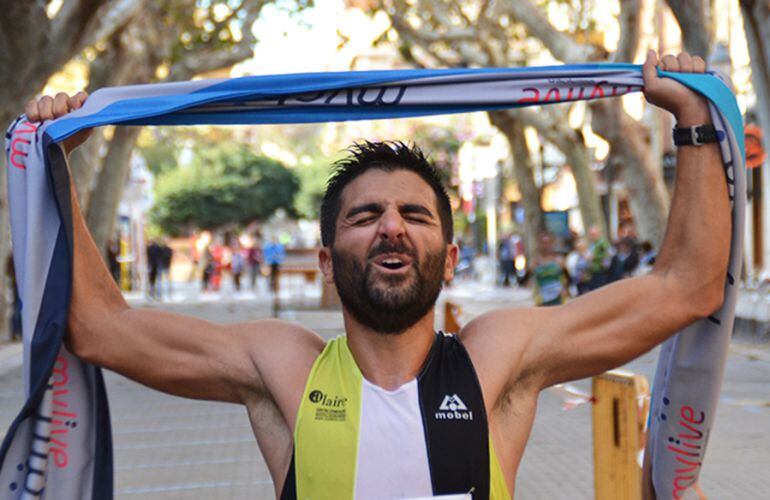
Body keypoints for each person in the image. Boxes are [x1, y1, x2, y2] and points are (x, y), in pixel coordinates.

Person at [26, 51, 729, 498]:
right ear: (328, 263)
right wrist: (58, 167)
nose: (391, 226)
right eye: (365, 216)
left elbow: (687, 287)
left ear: (451, 259)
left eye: (415, 216)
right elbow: (101, 327)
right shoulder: (282, 367)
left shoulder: (499, 357)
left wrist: (695, 124)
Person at [531, 232, 569, 306]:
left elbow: (565, 277)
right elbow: (533, 280)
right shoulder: (535, 262)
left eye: (548, 243)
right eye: (543, 243)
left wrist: (565, 289)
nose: (546, 246)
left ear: (552, 244)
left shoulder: (559, 260)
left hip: (558, 298)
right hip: (542, 299)